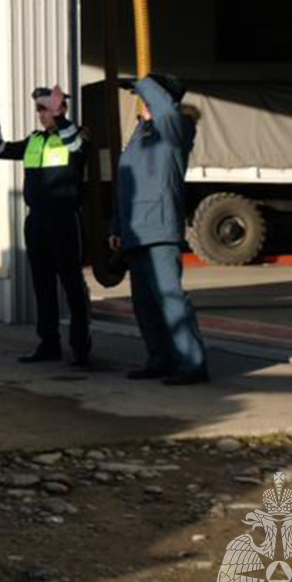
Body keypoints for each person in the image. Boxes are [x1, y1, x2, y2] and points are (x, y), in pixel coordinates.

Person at [110, 73, 209, 385]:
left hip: (159, 229)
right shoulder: (142, 134)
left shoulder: (174, 128)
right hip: (135, 231)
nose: (142, 101)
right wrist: (117, 226)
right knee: (145, 304)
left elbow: (165, 109)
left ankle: (192, 363)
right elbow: (125, 182)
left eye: (148, 95)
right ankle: (160, 358)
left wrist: (142, 82)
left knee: (170, 299)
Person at [0, 84, 92, 365]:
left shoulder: (76, 135)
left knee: (71, 284)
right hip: (37, 221)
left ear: (60, 109)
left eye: (45, 109)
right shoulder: (34, 140)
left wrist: (60, 117)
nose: (40, 114)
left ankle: (80, 347)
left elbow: (77, 146)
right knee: (42, 284)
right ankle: (49, 343)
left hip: (64, 220)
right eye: (39, 109)